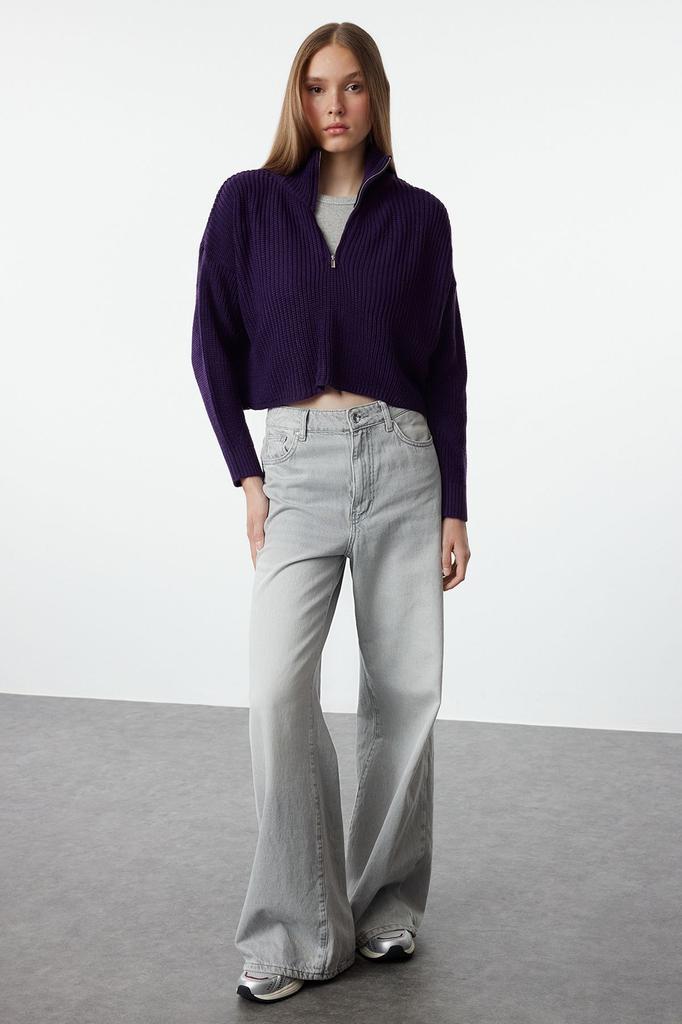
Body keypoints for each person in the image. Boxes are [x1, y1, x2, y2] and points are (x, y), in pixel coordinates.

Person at [191, 21, 471, 1005]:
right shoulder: (248, 203)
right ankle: (295, 927)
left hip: (403, 461)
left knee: (404, 692)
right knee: (277, 687)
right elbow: (210, 343)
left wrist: (456, 505)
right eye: (317, 87)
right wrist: (247, 476)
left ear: (374, 96)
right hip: (296, 467)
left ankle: (385, 904)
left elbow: (446, 366)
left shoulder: (421, 218)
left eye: (352, 86)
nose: (335, 104)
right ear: (297, 98)